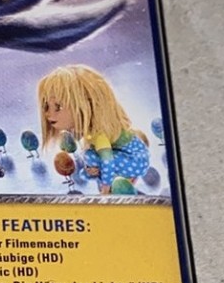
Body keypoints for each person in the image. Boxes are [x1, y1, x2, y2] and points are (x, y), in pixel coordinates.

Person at [37, 64, 149, 194]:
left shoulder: (99, 134)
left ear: (86, 105)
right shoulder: (89, 132)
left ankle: (119, 182)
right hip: (129, 159)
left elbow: (107, 161)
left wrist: (105, 189)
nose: (49, 114)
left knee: (90, 156)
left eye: (58, 107)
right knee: (87, 169)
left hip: (135, 161)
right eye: (46, 107)